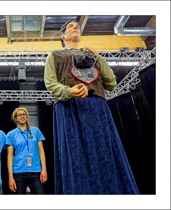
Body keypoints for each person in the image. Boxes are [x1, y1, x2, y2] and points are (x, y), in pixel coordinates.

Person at [44, 20, 139, 194]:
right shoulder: (55, 55)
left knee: (105, 151)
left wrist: (99, 58)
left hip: (97, 107)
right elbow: (50, 83)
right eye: (71, 27)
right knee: (76, 154)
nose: (76, 28)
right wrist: (68, 91)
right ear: (61, 35)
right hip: (69, 108)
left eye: (78, 27)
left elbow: (111, 84)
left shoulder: (92, 56)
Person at [6, 108, 47, 194]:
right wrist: (10, 177)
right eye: (19, 115)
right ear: (16, 118)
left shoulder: (36, 131)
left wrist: (44, 169)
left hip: (36, 171)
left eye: (24, 114)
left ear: (26, 116)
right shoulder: (11, 134)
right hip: (19, 171)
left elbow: (41, 151)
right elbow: (10, 156)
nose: (22, 116)